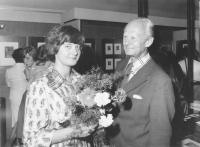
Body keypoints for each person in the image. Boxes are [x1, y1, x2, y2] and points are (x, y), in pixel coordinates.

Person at [23, 25, 97, 147]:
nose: (75, 52)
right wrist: (73, 131)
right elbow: (31, 140)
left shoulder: (83, 82)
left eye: (77, 47)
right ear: (55, 49)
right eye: (68, 46)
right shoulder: (41, 87)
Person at [108, 18, 175, 147]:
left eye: (133, 38)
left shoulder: (160, 81)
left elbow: (161, 134)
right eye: (125, 36)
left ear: (148, 42)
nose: (126, 42)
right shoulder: (121, 65)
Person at [12, 45, 52, 147]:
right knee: (23, 122)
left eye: (27, 58)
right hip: (27, 96)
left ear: (34, 56)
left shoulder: (41, 68)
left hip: (36, 98)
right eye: (23, 58)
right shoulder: (29, 67)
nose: (25, 61)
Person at [5, 48, 28, 142]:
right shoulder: (28, 69)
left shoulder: (8, 71)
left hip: (15, 96)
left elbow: (8, 85)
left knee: (16, 118)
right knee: (27, 117)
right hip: (27, 96)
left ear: (14, 58)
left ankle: (17, 140)